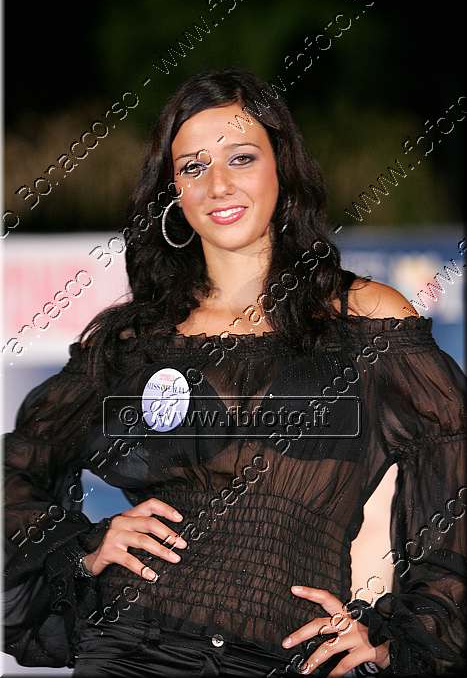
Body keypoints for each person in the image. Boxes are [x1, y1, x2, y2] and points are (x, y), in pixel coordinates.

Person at [3, 68, 466, 678]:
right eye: (193, 167)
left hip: (286, 660)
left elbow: (455, 475)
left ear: (283, 168)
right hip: (129, 649)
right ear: (172, 190)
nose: (218, 184)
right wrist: (88, 546)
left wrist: (403, 637)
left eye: (241, 158)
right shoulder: (139, 341)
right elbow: (19, 467)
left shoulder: (366, 320)